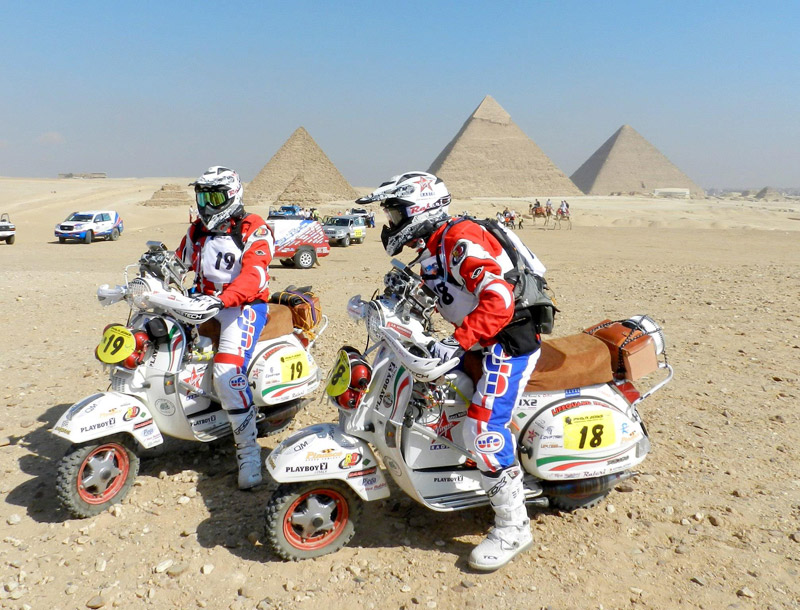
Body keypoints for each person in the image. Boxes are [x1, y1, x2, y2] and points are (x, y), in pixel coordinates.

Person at [357, 171, 546, 571]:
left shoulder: (459, 241)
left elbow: (498, 301)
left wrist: (458, 340)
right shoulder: (433, 248)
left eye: (395, 214)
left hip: (506, 342)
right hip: (480, 337)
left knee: (481, 430)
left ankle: (514, 527)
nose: (391, 223)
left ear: (419, 209)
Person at [176, 166, 274, 490]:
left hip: (241, 307)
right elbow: (178, 263)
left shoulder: (253, 227)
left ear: (232, 196)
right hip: (201, 301)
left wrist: (226, 299)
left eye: (214, 197)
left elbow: (256, 274)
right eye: (202, 196)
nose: (207, 204)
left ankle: (248, 451)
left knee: (225, 373)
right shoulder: (197, 231)